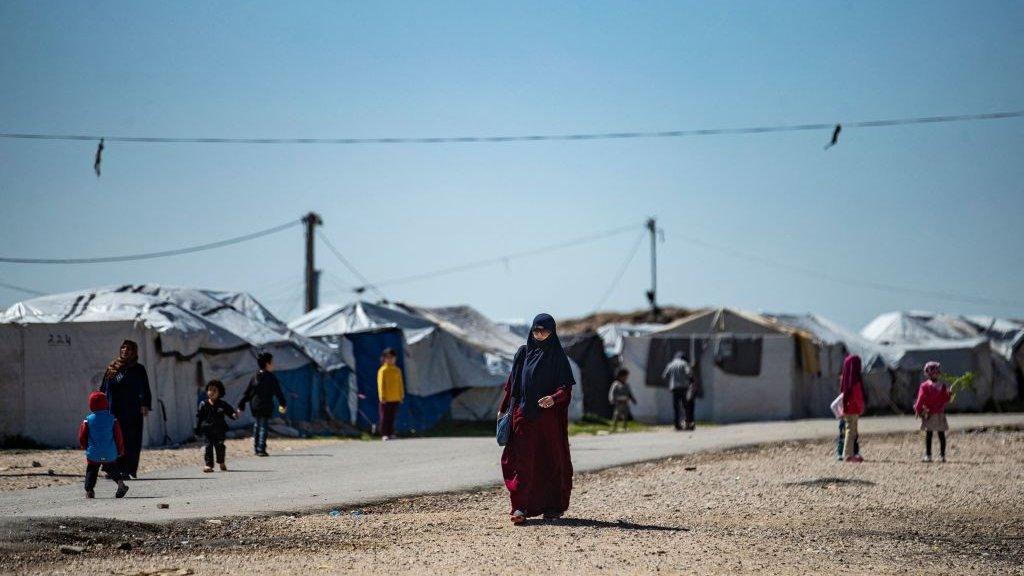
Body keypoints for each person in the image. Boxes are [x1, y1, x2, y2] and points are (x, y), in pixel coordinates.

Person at [498, 313, 575, 525]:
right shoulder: (522, 354)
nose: (540, 334)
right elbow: (512, 384)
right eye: (536, 330)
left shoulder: (558, 357)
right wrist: (504, 408)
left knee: (550, 461)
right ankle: (520, 507)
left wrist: (554, 398)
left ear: (553, 332)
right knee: (521, 461)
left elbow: (566, 389)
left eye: (545, 330)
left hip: (548, 421)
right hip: (522, 416)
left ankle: (552, 507)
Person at [99, 339, 152, 478]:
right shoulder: (112, 367)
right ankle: (112, 469)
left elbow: (145, 388)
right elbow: (104, 387)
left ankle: (126, 469)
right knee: (113, 438)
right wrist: (100, 404)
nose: (125, 351)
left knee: (130, 440)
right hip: (113, 409)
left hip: (132, 411)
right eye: (123, 348)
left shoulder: (138, 369)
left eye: (128, 349)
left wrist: (145, 404)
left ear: (134, 352)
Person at [79, 391, 129, 499]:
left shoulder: (88, 420)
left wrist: (84, 446)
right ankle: (121, 484)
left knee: (92, 470)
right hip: (109, 452)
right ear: (106, 403)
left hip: (94, 452)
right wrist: (120, 450)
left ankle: (89, 491)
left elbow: (82, 436)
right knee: (110, 467)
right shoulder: (112, 418)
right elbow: (118, 436)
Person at [238, 352, 287, 457]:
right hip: (265, 406)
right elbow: (278, 392)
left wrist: (241, 405)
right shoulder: (271, 378)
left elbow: (247, 392)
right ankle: (261, 449)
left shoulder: (254, 377)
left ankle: (256, 448)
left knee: (257, 425)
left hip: (255, 405)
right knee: (263, 427)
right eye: (272, 362)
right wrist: (283, 403)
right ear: (267, 364)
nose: (274, 364)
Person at [914, 361, 953, 463]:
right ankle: (942, 456)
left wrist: (918, 410)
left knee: (929, 435)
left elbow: (920, 399)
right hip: (940, 413)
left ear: (927, 373)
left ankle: (928, 455)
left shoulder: (924, 386)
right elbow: (946, 399)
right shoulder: (943, 386)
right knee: (941, 435)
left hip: (929, 414)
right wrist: (949, 394)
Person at [196, 380, 238, 472]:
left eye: (214, 390)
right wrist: (197, 429)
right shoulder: (203, 404)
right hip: (207, 430)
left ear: (220, 393)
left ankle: (221, 461)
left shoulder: (222, 404)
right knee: (208, 446)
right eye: (209, 390)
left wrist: (234, 415)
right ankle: (208, 465)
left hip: (220, 430)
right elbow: (199, 418)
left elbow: (230, 412)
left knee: (220, 446)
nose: (211, 392)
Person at [839, 354, 865, 463]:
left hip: (847, 408)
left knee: (850, 430)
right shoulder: (855, 382)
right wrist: (861, 408)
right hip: (853, 409)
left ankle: (849, 453)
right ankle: (848, 455)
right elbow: (858, 398)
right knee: (851, 431)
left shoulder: (844, 380)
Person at [376, 347, 405, 441]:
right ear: (384, 359)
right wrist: (382, 396)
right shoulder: (383, 370)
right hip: (386, 399)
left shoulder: (397, 370)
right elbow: (380, 384)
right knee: (385, 417)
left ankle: (391, 433)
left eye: (392, 358)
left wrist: (401, 395)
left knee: (392, 417)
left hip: (395, 397)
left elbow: (400, 383)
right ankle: (384, 434)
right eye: (388, 358)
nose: (390, 360)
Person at [662, 351, 696, 430]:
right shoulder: (684, 363)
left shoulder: (670, 364)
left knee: (676, 407)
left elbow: (664, 376)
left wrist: (671, 382)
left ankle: (677, 425)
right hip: (684, 387)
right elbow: (689, 373)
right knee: (685, 406)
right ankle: (688, 424)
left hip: (674, 388)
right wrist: (692, 381)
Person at [834, 374, 860, 461]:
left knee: (852, 435)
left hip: (847, 416)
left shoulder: (848, 395)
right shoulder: (843, 396)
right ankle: (840, 453)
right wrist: (839, 415)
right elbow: (833, 405)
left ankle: (854, 452)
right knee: (843, 436)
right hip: (845, 418)